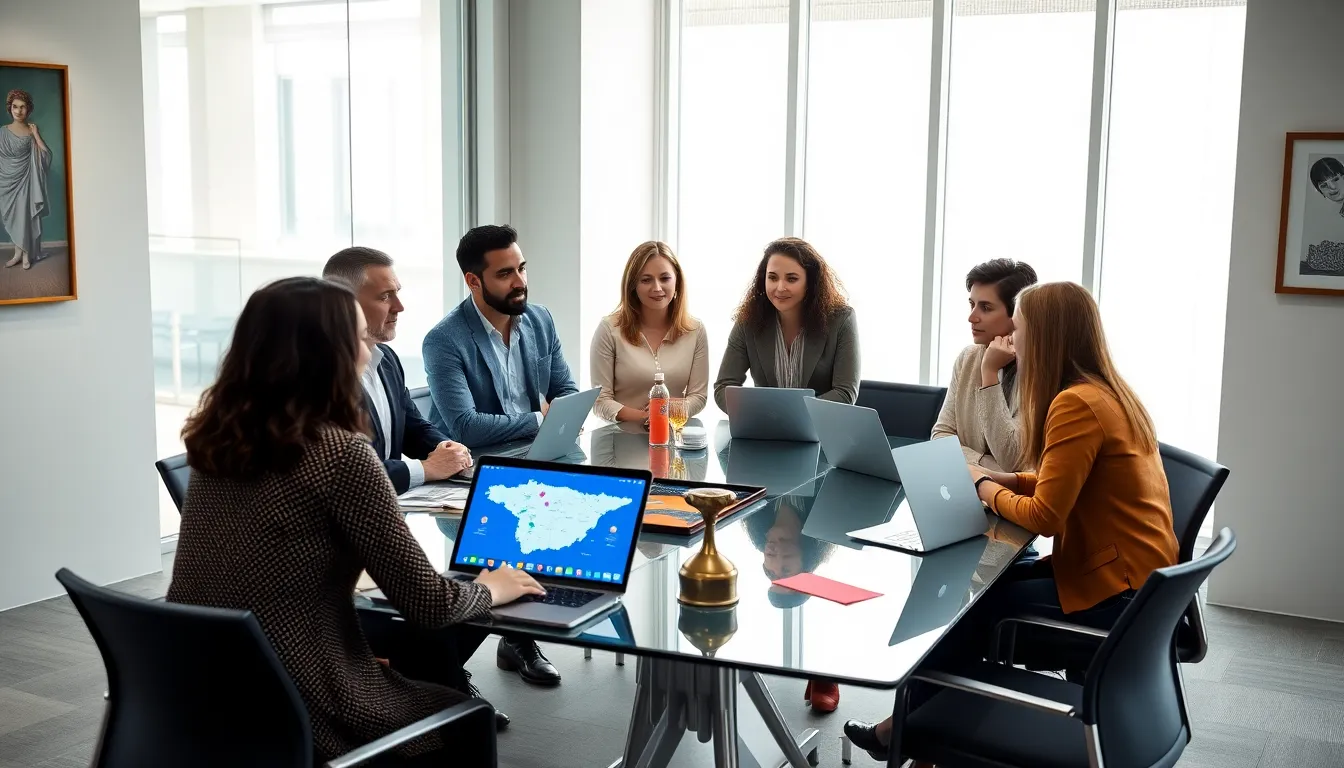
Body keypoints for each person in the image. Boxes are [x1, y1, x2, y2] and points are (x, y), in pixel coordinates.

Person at [166, 277, 545, 765]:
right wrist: (493, 586)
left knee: (404, 658)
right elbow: (429, 604)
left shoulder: (218, 442)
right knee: (464, 711)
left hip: (198, 685)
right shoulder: (341, 455)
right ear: (334, 354)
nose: (370, 350)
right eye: (361, 339)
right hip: (295, 700)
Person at [843, 282, 1179, 763]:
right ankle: (914, 731)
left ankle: (909, 733)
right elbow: (1056, 479)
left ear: (1044, 337)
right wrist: (1004, 478)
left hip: (1112, 592)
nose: (1012, 340)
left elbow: (1046, 516)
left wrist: (982, 488)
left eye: (1018, 329)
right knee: (978, 592)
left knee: (966, 608)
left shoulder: (1074, 404)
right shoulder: (1107, 392)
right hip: (1137, 579)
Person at [422, 223, 575, 686]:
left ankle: (518, 637)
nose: (520, 281)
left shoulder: (540, 319)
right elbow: (467, 426)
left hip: (544, 458)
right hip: (478, 473)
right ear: (474, 280)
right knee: (515, 528)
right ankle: (470, 662)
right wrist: (536, 419)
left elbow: (565, 391)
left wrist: (553, 420)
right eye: (506, 273)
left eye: (522, 268)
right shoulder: (445, 340)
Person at [323, 247, 473, 494]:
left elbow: (411, 427)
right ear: (345, 303)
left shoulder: (387, 359)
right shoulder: (322, 375)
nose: (399, 306)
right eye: (385, 297)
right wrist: (426, 469)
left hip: (390, 510)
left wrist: (448, 449)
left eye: (397, 293)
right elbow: (347, 473)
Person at [713, 238, 859, 410]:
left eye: (792, 279)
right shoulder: (748, 321)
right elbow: (724, 387)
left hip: (820, 431)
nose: (780, 287)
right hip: (764, 429)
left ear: (810, 283)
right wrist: (758, 414)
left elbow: (845, 392)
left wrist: (787, 413)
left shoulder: (841, 320)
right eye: (773, 278)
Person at [931, 258, 1038, 472]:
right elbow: (940, 437)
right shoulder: (968, 358)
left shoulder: (1040, 371)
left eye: (986, 308)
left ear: (1018, 314)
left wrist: (989, 372)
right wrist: (984, 464)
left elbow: (1012, 460)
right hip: (967, 490)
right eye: (972, 304)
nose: (972, 317)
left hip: (1013, 502)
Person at [590, 241, 709, 423]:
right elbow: (600, 401)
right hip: (620, 440)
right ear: (633, 286)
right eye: (646, 280)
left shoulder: (695, 330)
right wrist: (650, 417)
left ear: (677, 281)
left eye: (664, 278)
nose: (657, 288)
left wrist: (672, 410)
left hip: (673, 439)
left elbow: (698, 397)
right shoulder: (609, 329)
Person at [744, 493, 841, 712]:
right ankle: (823, 670)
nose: (774, 562)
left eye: (771, 573)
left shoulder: (755, 513)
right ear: (807, 559)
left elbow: (728, 459)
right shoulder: (830, 514)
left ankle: (822, 674)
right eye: (786, 571)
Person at [1, 89, 51, 271]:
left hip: (28, 180)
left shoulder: (31, 131)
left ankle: (25, 255)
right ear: (10, 108)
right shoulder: (3, 132)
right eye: (15, 106)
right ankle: (17, 254)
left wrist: (36, 134)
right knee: (15, 218)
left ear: (28, 109)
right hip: (7, 182)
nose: (18, 111)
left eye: (23, 107)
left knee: (25, 217)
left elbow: (46, 156)